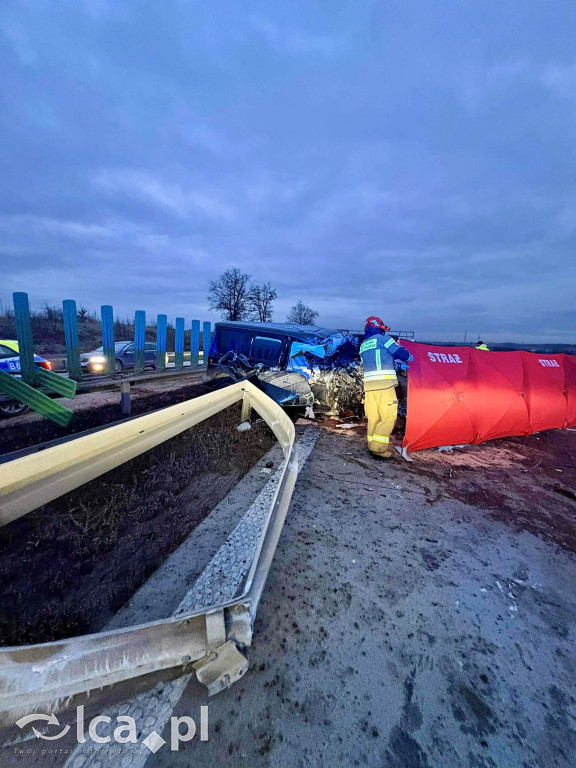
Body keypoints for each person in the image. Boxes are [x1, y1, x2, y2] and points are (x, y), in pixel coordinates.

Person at [359, 317, 412, 459]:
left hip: (369, 388)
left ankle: (372, 445)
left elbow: (378, 360)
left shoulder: (364, 344)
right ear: (379, 327)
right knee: (388, 416)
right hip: (384, 386)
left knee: (374, 418)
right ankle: (378, 448)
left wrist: (397, 365)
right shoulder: (383, 339)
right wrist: (409, 358)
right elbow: (402, 354)